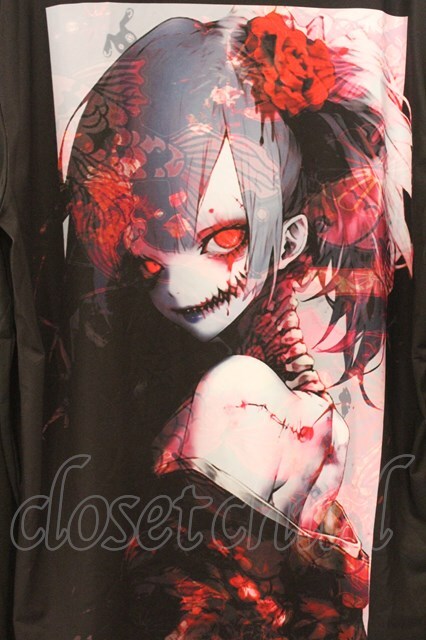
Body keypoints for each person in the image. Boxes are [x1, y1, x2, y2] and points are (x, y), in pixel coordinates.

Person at [63, 9, 411, 638]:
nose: (180, 282)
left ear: (289, 240)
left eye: (223, 238)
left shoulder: (242, 396)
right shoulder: (169, 367)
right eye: (148, 256)